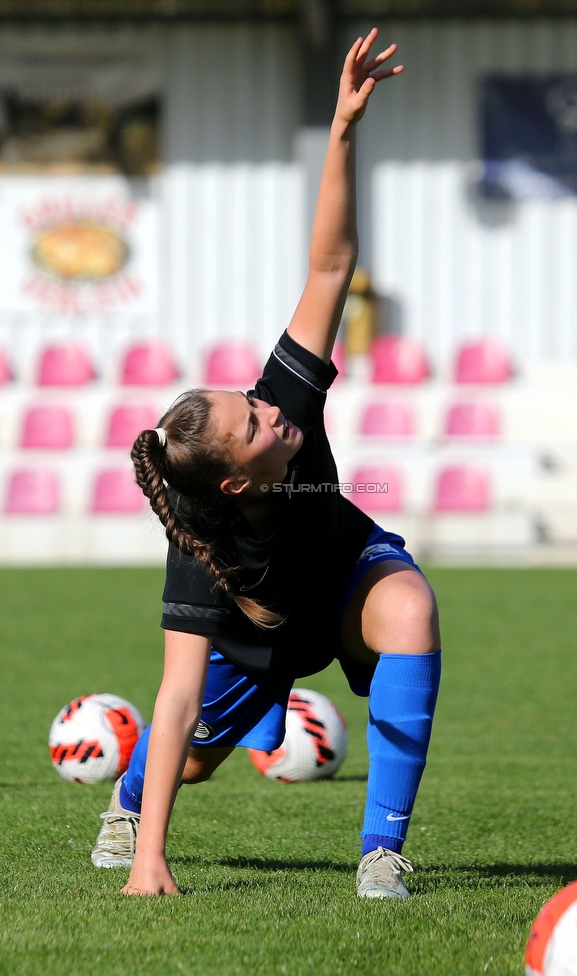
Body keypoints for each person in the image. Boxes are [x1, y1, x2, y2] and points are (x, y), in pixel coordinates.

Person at [91, 29, 442, 899]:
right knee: (196, 759)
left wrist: (342, 128)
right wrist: (150, 859)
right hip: (256, 641)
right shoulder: (203, 553)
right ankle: (130, 802)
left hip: (343, 579)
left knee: (408, 607)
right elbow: (172, 701)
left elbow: (329, 265)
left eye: (256, 401)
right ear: (236, 482)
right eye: (253, 420)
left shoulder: (289, 399)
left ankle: (381, 852)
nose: (273, 408)